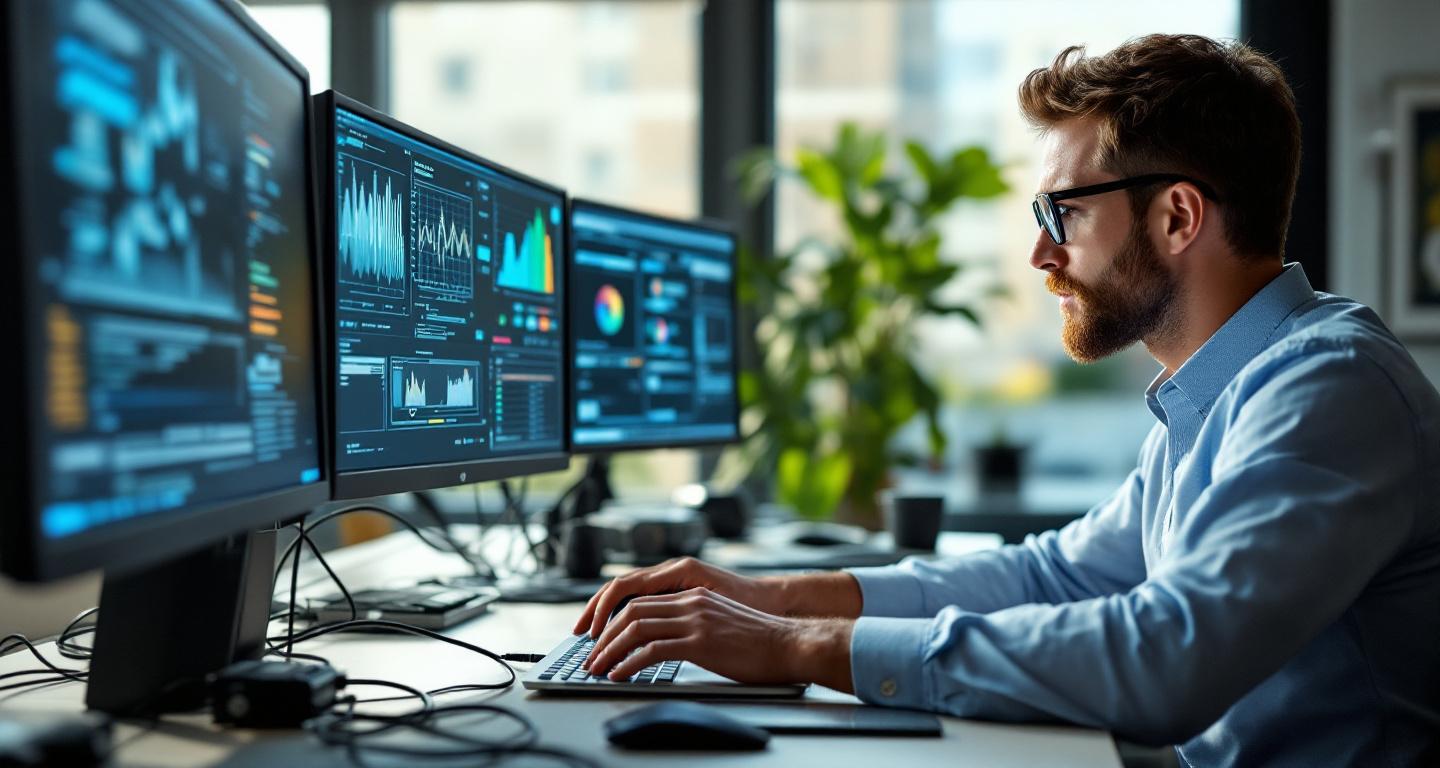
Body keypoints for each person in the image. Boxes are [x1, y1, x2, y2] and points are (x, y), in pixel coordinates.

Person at [573, 34, 1440, 766]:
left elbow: (1169, 660)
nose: (1039, 254)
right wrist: (770, 600)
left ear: (1178, 217)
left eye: (1063, 214)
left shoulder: (1328, 389)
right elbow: (1054, 577)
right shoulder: (1215, 394)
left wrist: (796, 647)